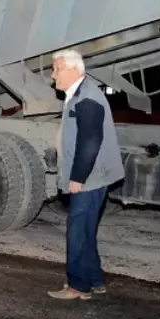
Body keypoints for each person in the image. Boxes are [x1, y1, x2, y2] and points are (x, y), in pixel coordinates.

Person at [47, 48, 124, 301]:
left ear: (72, 69)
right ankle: (94, 279)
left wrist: (77, 178)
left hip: (90, 179)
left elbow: (90, 142)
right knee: (86, 229)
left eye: (56, 68)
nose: (52, 74)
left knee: (78, 231)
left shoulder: (87, 98)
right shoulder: (79, 94)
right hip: (93, 177)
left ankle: (78, 286)